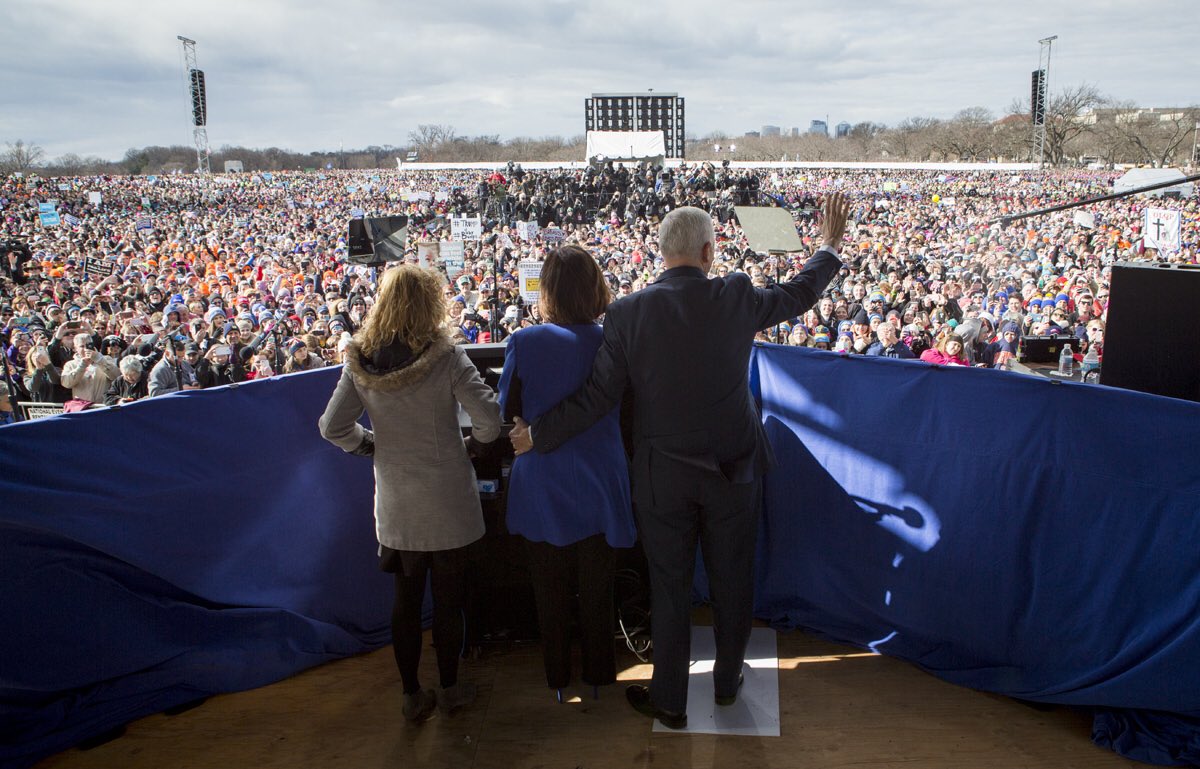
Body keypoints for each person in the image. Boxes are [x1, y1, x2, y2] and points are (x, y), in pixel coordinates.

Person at [510, 193, 850, 729]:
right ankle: (725, 684)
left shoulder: (626, 313)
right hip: (733, 471)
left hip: (660, 477)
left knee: (668, 587)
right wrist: (828, 247)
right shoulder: (736, 294)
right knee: (733, 581)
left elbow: (598, 397)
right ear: (710, 252)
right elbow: (799, 294)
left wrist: (539, 435)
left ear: (661, 253)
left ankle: (669, 700)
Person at [318, 264, 501, 724]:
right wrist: (472, 446)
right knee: (448, 598)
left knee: (405, 600)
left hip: (397, 501)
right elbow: (489, 419)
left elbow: (331, 427)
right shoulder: (447, 357)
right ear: (430, 303)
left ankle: (410, 695)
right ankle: (452, 689)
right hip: (447, 499)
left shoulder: (359, 361)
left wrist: (371, 446)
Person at [497, 245, 635, 702]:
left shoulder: (525, 341)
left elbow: (507, 411)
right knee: (598, 590)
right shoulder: (614, 339)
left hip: (543, 484)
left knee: (549, 592)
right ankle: (600, 675)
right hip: (601, 481)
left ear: (548, 291)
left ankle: (558, 678)